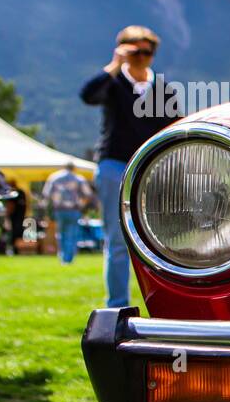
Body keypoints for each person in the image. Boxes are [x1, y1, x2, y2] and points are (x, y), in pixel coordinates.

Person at [80, 26, 180, 306]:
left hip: (153, 169)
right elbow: (87, 95)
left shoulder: (162, 89)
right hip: (114, 165)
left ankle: (165, 304)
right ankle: (118, 306)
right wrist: (114, 65)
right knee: (117, 241)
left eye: (147, 52)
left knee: (162, 240)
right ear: (122, 50)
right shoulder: (112, 83)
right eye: (135, 51)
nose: (142, 57)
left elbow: (173, 127)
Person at [42, 161, 93, 264]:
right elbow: (88, 194)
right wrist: (82, 205)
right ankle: (69, 257)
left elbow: (46, 194)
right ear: (74, 168)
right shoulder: (79, 178)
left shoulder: (54, 177)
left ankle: (63, 256)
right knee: (72, 233)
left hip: (59, 210)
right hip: (74, 210)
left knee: (61, 233)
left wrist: (49, 209)